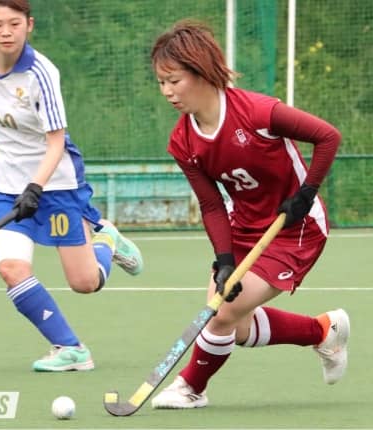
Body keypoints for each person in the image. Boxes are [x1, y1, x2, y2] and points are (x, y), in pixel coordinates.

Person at [0, 0, 143, 372]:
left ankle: (107, 240)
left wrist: (35, 186)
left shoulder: (41, 73)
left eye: (14, 23)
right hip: (5, 186)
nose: (6, 32)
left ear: (29, 25)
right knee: (11, 269)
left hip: (56, 185)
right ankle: (70, 348)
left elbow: (56, 141)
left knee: (84, 283)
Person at [149, 20, 349, 409]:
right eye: (161, 82)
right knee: (234, 324)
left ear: (201, 72)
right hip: (243, 228)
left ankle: (191, 387)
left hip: (296, 227)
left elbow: (328, 137)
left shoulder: (257, 112)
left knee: (220, 314)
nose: (167, 92)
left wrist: (306, 193)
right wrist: (224, 260)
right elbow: (211, 204)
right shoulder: (183, 141)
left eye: (174, 80)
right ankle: (324, 331)